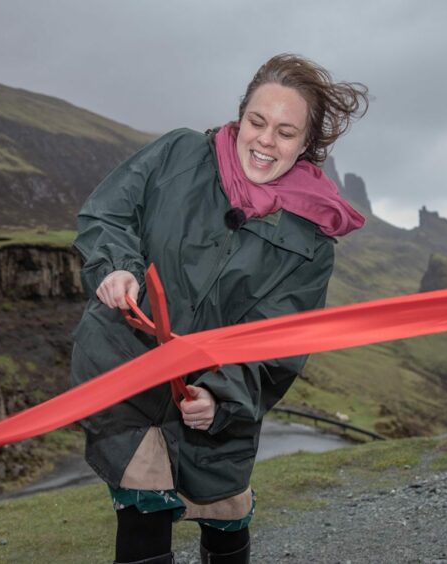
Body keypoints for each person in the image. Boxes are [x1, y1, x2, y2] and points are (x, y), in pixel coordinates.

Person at [70, 54, 368, 564]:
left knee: (227, 514)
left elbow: (279, 341)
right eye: (256, 121)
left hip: (215, 401)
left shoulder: (313, 242)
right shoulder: (180, 153)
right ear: (239, 115)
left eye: (285, 132)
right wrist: (117, 266)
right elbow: (108, 212)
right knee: (143, 507)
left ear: (306, 145)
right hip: (130, 368)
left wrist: (221, 393)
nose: (265, 141)